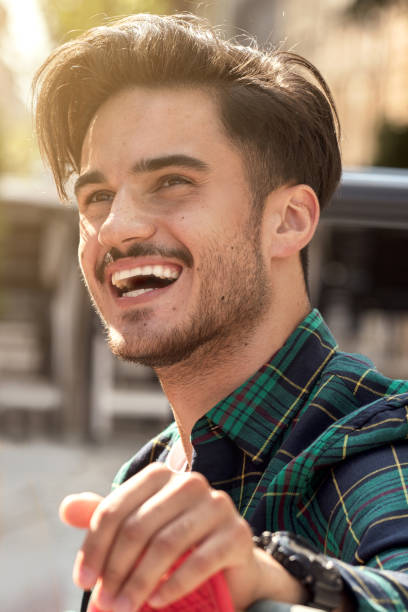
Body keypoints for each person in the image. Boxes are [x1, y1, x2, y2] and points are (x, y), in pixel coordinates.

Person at [33, 13, 408, 612]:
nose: (115, 226)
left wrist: (275, 584)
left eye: (173, 181)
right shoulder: (148, 472)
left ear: (288, 221)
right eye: (97, 196)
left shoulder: (371, 444)